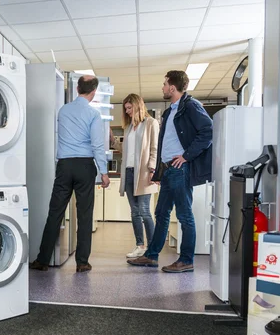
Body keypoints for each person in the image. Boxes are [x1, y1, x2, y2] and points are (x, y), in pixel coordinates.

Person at [127, 70, 213, 273]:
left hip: (180, 168)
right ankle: (151, 255)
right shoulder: (170, 111)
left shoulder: (190, 106)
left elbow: (208, 131)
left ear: (173, 88)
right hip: (167, 169)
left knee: (184, 215)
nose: (163, 88)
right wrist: (158, 171)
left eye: (165, 84)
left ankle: (186, 260)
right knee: (161, 213)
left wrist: (186, 155)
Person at [30, 75, 109, 273]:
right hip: (84, 166)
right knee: (84, 215)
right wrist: (104, 172)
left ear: (77, 90)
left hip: (64, 166)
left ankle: (42, 260)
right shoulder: (93, 114)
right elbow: (97, 145)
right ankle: (82, 262)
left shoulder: (63, 110)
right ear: (93, 92)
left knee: (55, 212)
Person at [110, 94, 160, 259]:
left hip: (145, 172)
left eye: (130, 108)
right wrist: (112, 141)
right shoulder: (129, 127)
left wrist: (152, 169)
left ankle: (152, 248)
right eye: (126, 109)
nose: (128, 111)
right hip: (129, 172)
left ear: (138, 106)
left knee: (145, 211)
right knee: (134, 212)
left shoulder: (151, 123)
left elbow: (155, 149)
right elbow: (125, 150)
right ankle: (140, 245)